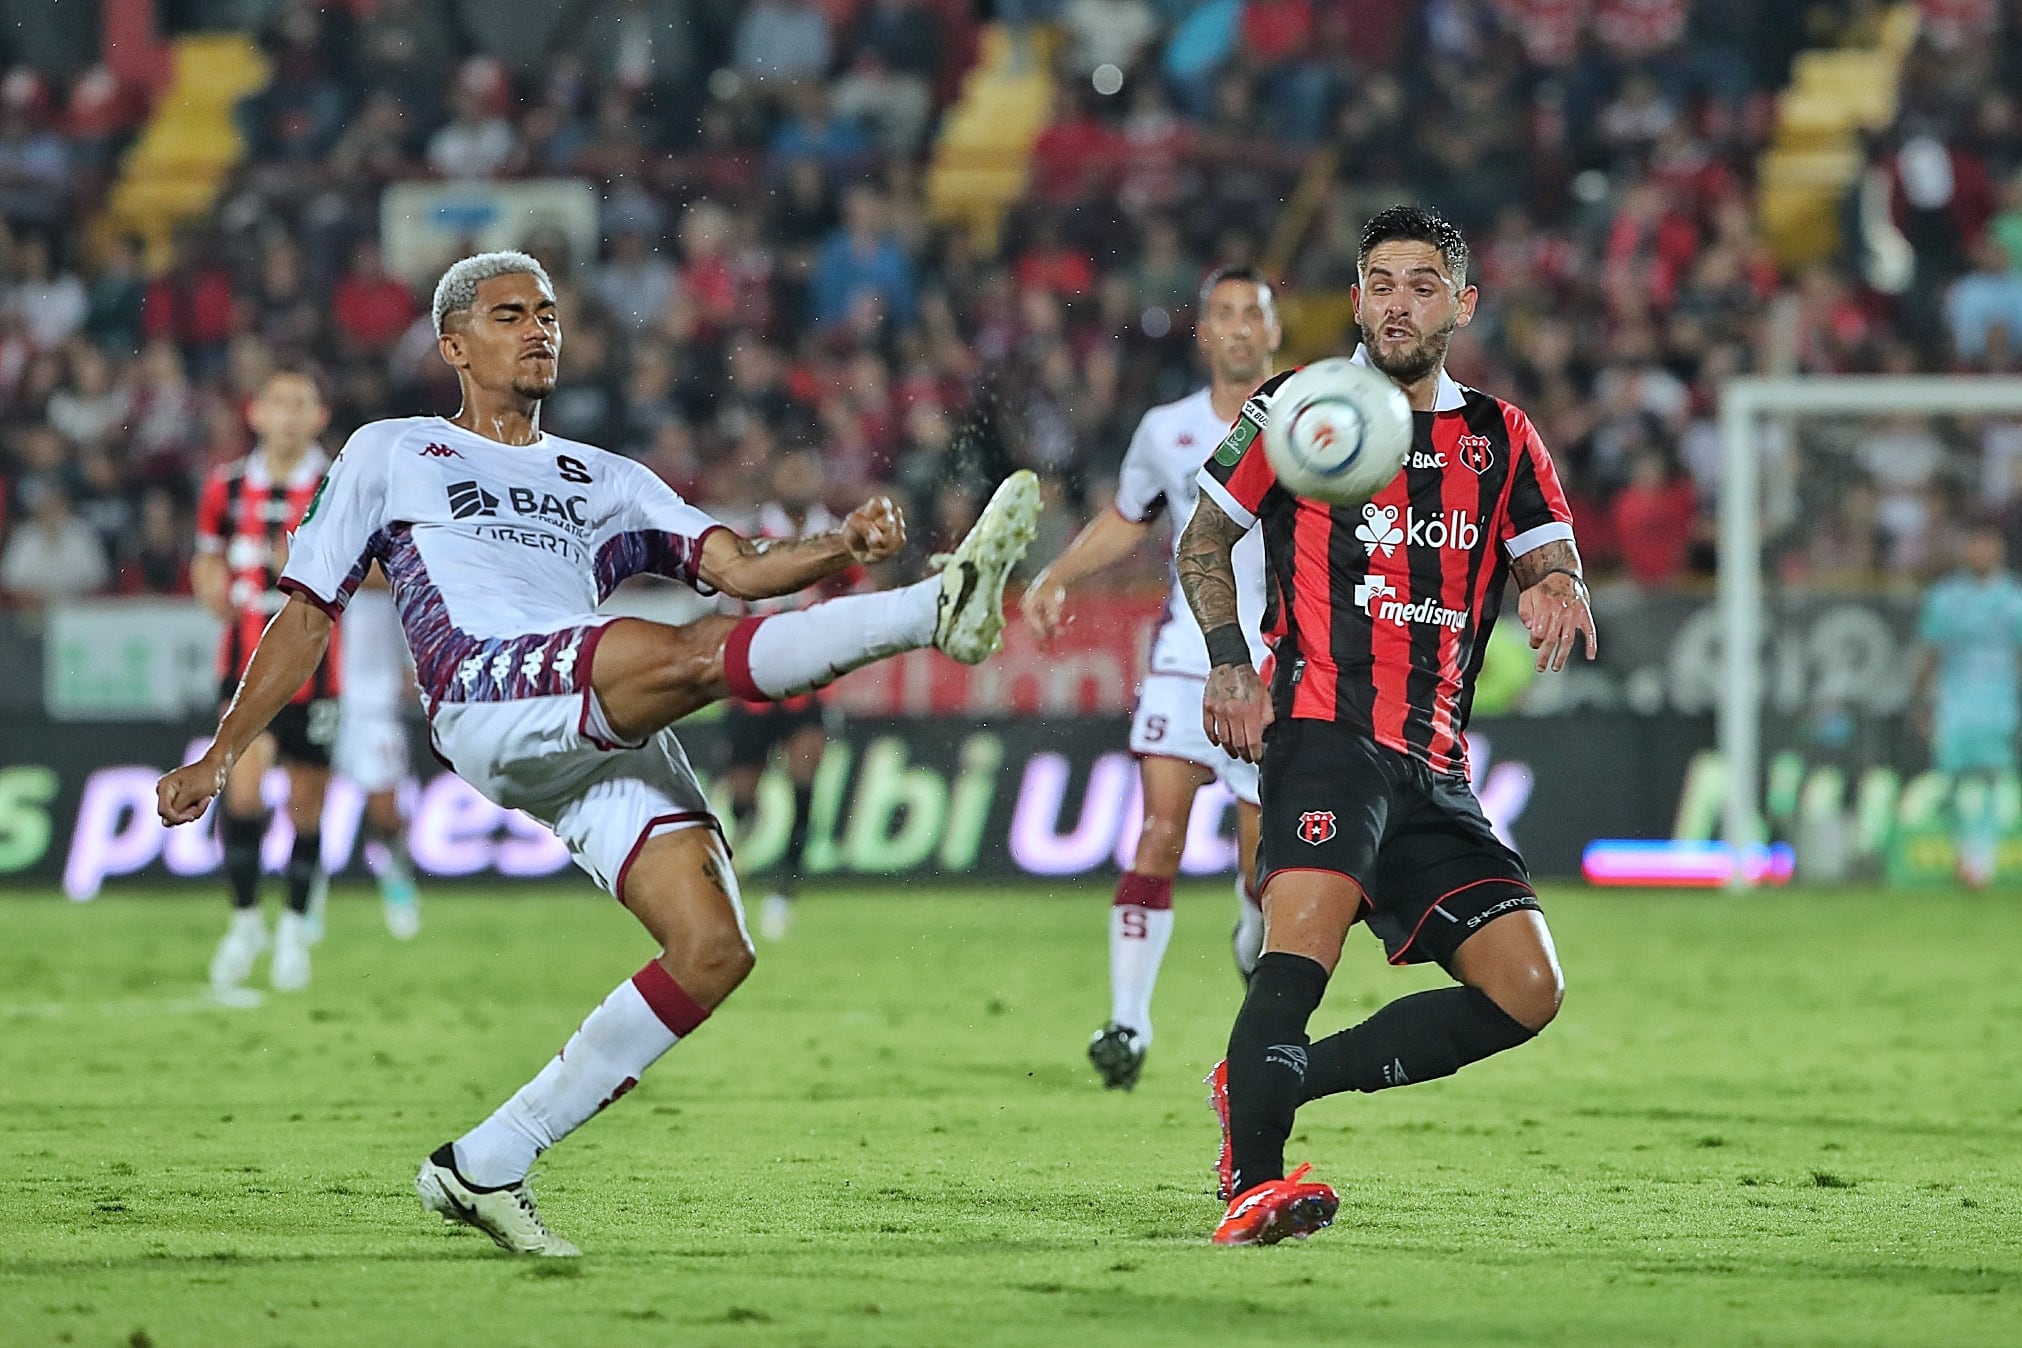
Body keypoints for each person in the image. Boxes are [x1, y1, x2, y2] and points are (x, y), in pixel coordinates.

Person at [155, 251, 1039, 1257]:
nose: (539, 329)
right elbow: (307, 614)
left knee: (713, 949)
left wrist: (840, 545)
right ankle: (937, 608)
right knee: (683, 655)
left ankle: (486, 1159)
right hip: (485, 688)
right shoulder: (391, 451)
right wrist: (225, 751)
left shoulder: (602, 477)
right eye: (508, 315)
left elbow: (740, 568)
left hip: (586, 712)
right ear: (454, 345)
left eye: (548, 314)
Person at [1178, 206, 1597, 1245]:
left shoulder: (1500, 436)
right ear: (1356, 297)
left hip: (1436, 761)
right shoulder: (1295, 406)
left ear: (1462, 303)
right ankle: (1253, 1185)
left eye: (1420, 284)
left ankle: (1269, 1082)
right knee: (1298, 955)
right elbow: (1200, 546)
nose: (1396, 303)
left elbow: (1549, 555)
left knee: (1526, 986)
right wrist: (1232, 665)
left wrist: (1557, 587)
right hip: (1324, 733)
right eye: (1378, 282)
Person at [1023, 265, 1280, 1090]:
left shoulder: (1312, 421)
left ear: (1273, 333)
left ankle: (1252, 945)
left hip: (1280, 659)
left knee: (1261, 871)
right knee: (1159, 833)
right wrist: (1059, 572)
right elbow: (1129, 520)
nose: (1240, 328)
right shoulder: (1164, 429)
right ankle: (1127, 1024)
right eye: (1226, 315)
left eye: (1254, 315)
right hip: (1186, 653)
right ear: (1205, 334)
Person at [192, 371, 340, 995]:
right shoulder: (225, 488)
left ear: (318, 417)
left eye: (298, 405)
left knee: (306, 806)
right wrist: (210, 585)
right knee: (244, 791)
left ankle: (295, 926)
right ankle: (247, 919)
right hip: (244, 666)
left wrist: (310, 570)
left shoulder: (338, 488)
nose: (286, 416)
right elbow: (206, 557)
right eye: (276, 404)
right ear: (254, 413)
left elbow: (383, 570)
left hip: (319, 671)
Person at [720, 447, 857, 942]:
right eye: (790, 470)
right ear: (777, 478)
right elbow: (725, 595)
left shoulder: (841, 536)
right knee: (742, 795)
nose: (798, 479)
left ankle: (784, 892)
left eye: (806, 470)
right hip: (753, 683)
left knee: (805, 778)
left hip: (808, 683)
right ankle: (735, 867)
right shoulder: (750, 533)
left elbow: (863, 590)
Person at [1910, 520, 2022, 888]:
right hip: (1954, 706)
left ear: (2000, 551)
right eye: (1975, 545)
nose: (1981, 553)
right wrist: (1919, 697)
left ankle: (1982, 859)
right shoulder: (1945, 597)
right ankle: (1964, 849)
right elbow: (1931, 650)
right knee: (1952, 783)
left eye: (1988, 546)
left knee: (1990, 779)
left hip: (1997, 706)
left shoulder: (2013, 599)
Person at [334, 567, 423, 938]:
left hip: (375, 696)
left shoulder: (374, 536)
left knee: (385, 811)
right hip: (325, 692)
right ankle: (306, 905)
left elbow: (391, 573)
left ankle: (399, 880)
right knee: (306, 801)